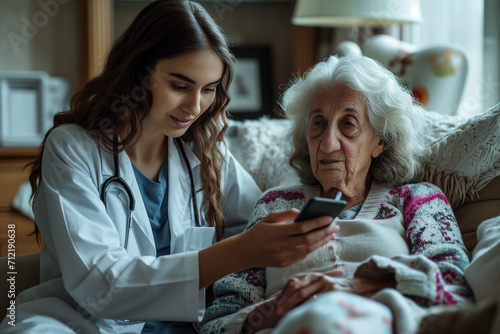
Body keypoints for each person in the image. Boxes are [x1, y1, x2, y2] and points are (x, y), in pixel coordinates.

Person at [0, 1, 338, 333]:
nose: (195, 107)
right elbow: (99, 285)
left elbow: (255, 220)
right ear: (139, 73)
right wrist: (241, 251)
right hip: (81, 323)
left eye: (208, 90)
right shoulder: (73, 148)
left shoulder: (205, 150)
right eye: (179, 86)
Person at [201, 55, 472, 334]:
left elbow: (456, 292)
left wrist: (360, 286)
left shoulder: (415, 200)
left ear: (380, 140)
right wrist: (272, 312)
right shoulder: (275, 204)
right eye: (318, 123)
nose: (328, 144)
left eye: (348, 124)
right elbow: (215, 322)